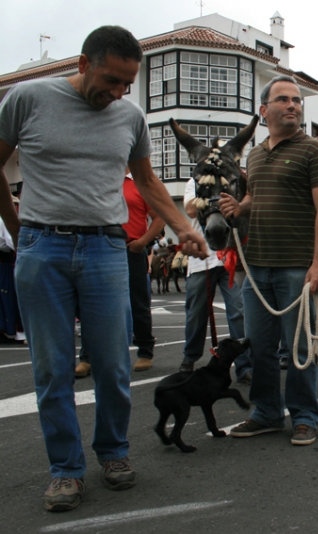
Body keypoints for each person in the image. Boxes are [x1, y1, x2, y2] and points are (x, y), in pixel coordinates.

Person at [0, 26, 208, 512]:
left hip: (106, 247)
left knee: (113, 364)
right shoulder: (27, 99)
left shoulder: (130, 117)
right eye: (111, 80)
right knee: (52, 369)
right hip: (42, 247)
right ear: (83, 64)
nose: (117, 93)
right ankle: (66, 470)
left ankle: (113, 451)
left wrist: (183, 227)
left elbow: (148, 182)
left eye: (126, 84)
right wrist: (16, 227)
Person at [219, 75, 318, 446]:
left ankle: (304, 416)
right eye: (283, 99)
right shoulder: (254, 155)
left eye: (297, 100)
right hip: (256, 267)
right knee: (260, 347)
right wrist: (240, 207)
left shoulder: (314, 151)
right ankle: (266, 413)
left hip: (297, 266)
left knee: (300, 346)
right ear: (263, 110)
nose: (292, 105)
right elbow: (255, 196)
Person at [75, 170, 166, 377]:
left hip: (130, 249)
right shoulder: (99, 179)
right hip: (100, 249)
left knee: (138, 302)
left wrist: (143, 242)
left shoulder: (140, 182)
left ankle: (145, 350)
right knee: (92, 304)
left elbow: (159, 217)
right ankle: (87, 356)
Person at [179, 177, 253, 384]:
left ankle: (244, 366)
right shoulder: (195, 182)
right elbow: (190, 210)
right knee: (196, 313)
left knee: (238, 312)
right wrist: (214, 198)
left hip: (231, 256)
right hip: (202, 258)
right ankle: (190, 356)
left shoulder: (233, 180)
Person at [0, 195, 23, 343]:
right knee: (9, 296)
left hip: (6, 260)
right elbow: (10, 242)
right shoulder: (4, 220)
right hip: (7, 261)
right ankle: (16, 331)